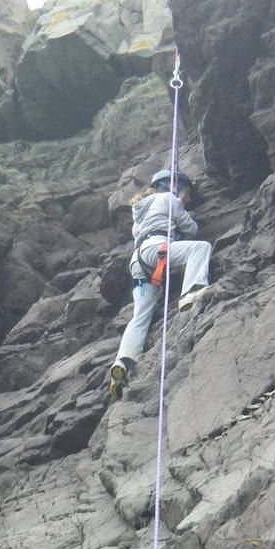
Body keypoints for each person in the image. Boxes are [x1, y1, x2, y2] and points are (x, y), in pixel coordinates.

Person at [109, 169, 212, 399]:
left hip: (139, 262)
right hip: (158, 250)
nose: (185, 199)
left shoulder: (140, 212)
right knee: (201, 248)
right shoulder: (169, 199)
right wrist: (189, 216)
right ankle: (192, 293)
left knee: (140, 316)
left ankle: (123, 363)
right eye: (185, 193)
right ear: (173, 187)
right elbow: (191, 230)